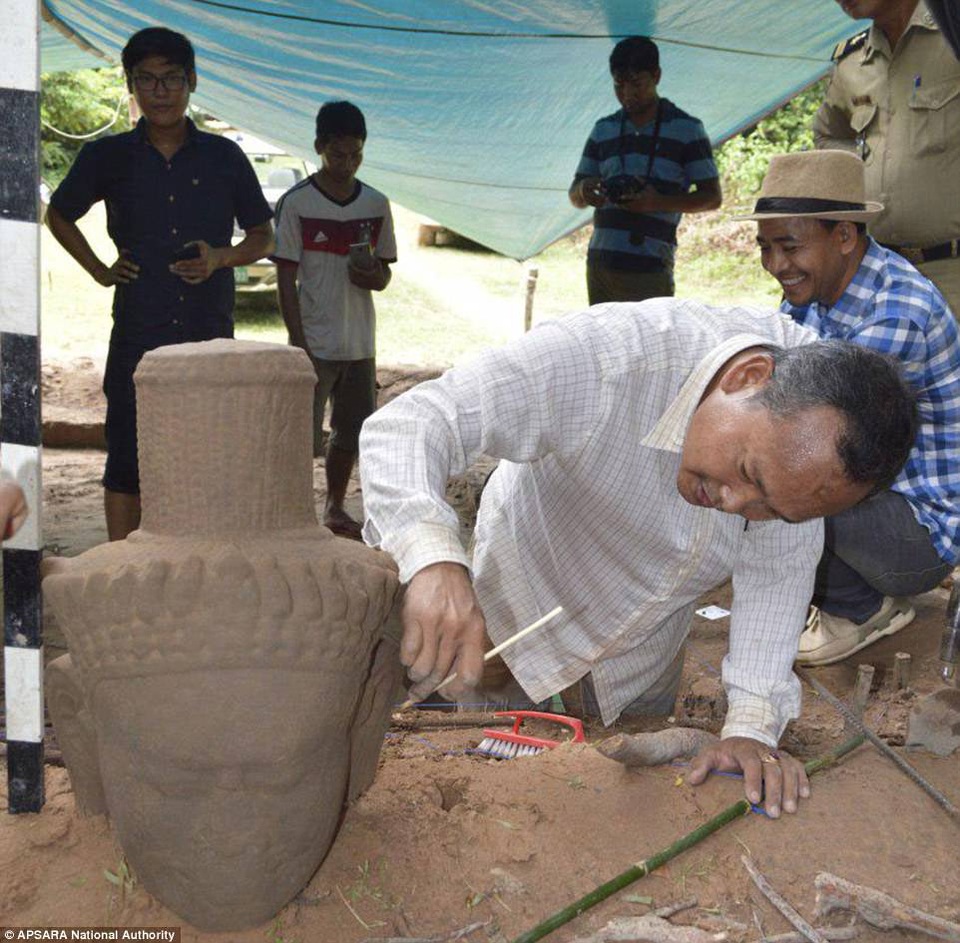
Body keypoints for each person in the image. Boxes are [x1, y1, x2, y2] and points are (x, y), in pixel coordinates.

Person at [359, 299, 917, 817]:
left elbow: (778, 575)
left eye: (771, 510)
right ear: (746, 378)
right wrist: (434, 561)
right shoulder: (609, 359)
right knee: (488, 784)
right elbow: (413, 422)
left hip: (640, 657)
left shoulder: (807, 450)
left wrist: (752, 725)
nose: (736, 506)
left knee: (604, 808)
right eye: (748, 475)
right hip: (517, 612)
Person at [46, 27, 274, 542]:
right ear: (131, 86)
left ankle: (196, 557)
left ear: (192, 82)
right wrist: (99, 270)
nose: (160, 91)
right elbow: (58, 215)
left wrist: (221, 257)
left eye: (172, 78)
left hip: (206, 331)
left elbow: (264, 235)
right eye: (146, 80)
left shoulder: (224, 158)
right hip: (138, 328)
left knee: (206, 449)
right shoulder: (108, 157)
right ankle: (125, 566)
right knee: (127, 452)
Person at [745, 149, 960, 665]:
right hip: (875, 494)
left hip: (921, 531)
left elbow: (806, 429)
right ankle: (821, 589)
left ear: (843, 236)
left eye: (789, 246)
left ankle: (860, 607)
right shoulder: (814, 290)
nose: (777, 266)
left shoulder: (897, 309)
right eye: (766, 248)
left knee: (779, 480)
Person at [273, 101, 396, 541]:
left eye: (356, 155)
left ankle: (335, 506)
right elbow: (285, 277)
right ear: (320, 147)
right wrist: (297, 339)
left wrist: (372, 274)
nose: (348, 164)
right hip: (313, 340)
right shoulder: (296, 203)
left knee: (351, 432)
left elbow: (384, 275)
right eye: (339, 154)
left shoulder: (376, 204)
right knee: (301, 436)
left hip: (359, 341)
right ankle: (294, 512)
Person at [814, 0, 960, 315]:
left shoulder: (953, 37)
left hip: (952, 268)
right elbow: (827, 134)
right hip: (881, 272)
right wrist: (868, 169)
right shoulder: (853, 61)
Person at [568, 36, 722, 305]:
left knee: (647, 347)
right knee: (603, 346)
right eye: (619, 85)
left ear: (657, 76)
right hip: (600, 265)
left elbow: (712, 197)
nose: (627, 94)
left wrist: (656, 202)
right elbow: (574, 195)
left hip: (650, 269)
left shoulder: (687, 129)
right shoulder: (603, 128)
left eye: (636, 83)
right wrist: (585, 190)